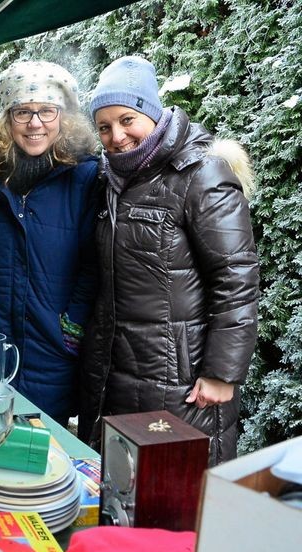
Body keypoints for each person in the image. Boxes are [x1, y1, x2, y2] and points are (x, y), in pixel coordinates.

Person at [79, 56, 259, 465]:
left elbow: (236, 278)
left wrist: (222, 373)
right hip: (116, 372)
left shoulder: (202, 174)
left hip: (182, 380)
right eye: (104, 127)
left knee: (178, 496)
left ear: (153, 114)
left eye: (127, 120)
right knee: (123, 494)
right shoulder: (111, 181)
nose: (116, 136)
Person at [0, 61, 100, 425]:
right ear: (7, 120)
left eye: (46, 111)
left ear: (64, 117)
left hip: (51, 345)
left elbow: (94, 263)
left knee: (41, 449)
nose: (35, 123)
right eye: (23, 112)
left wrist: (72, 324)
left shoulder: (86, 176)